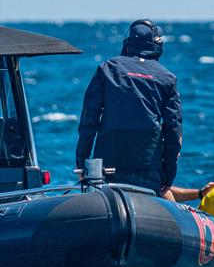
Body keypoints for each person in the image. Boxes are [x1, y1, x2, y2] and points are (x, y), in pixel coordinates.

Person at [76, 19, 182, 197]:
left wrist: (82, 163)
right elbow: (173, 130)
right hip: (148, 167)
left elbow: (89, 121)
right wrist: (169, 174)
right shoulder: (167, 78)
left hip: (108, 164)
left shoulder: (107, 68)